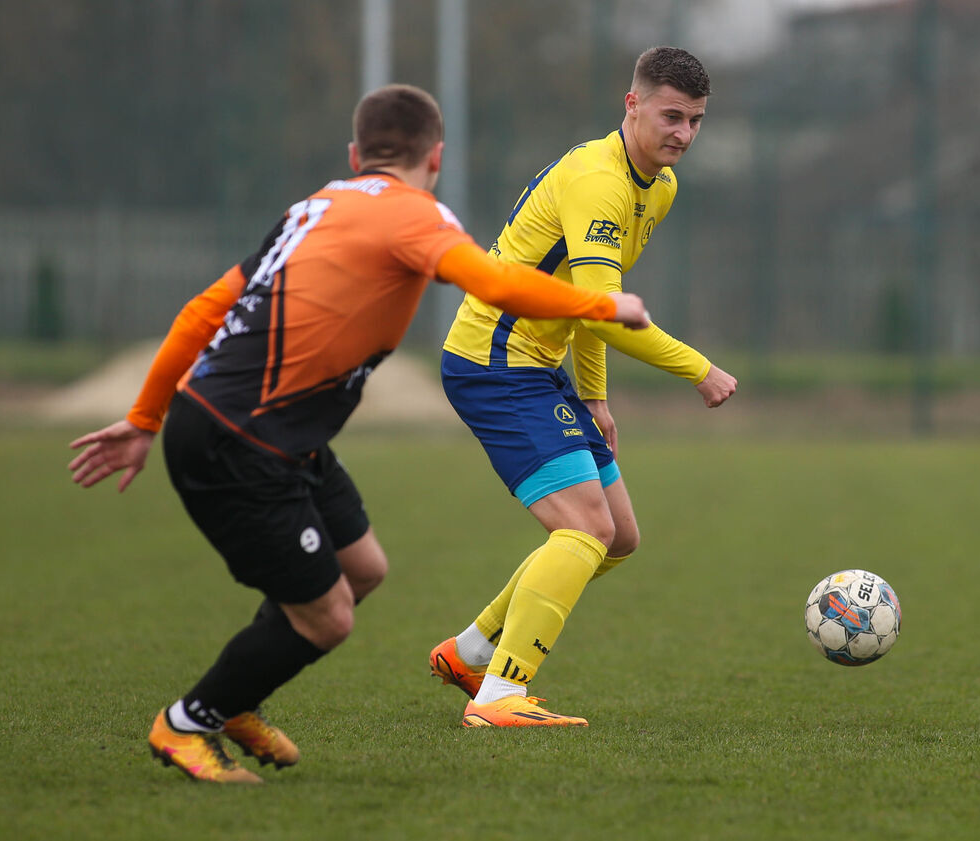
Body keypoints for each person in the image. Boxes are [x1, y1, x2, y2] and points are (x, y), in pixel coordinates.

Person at [68, 84, 651, 784]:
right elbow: (495, 283)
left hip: (269, 432)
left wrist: (145, 418)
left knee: (363, 569)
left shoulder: (314, 207)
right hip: (241, 440)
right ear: (436, 158)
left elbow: (201, 312)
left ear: (355, 155)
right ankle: (190, 721)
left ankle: (236, 698)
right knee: (329, 617)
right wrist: (603, 305)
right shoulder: (417, 216)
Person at [429, 46, 739, 728]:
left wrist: (595, 397)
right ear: (632, 105)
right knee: (586, 527)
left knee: (618, 535)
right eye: (671, 116)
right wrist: (699, 369)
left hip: (538, 365)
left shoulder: (658, 186)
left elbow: (594, 298)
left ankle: (470, 652)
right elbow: (605, 313)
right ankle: (499, 696)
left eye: (695, 121)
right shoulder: (599, 181)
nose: (684, 134)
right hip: (495, 362)